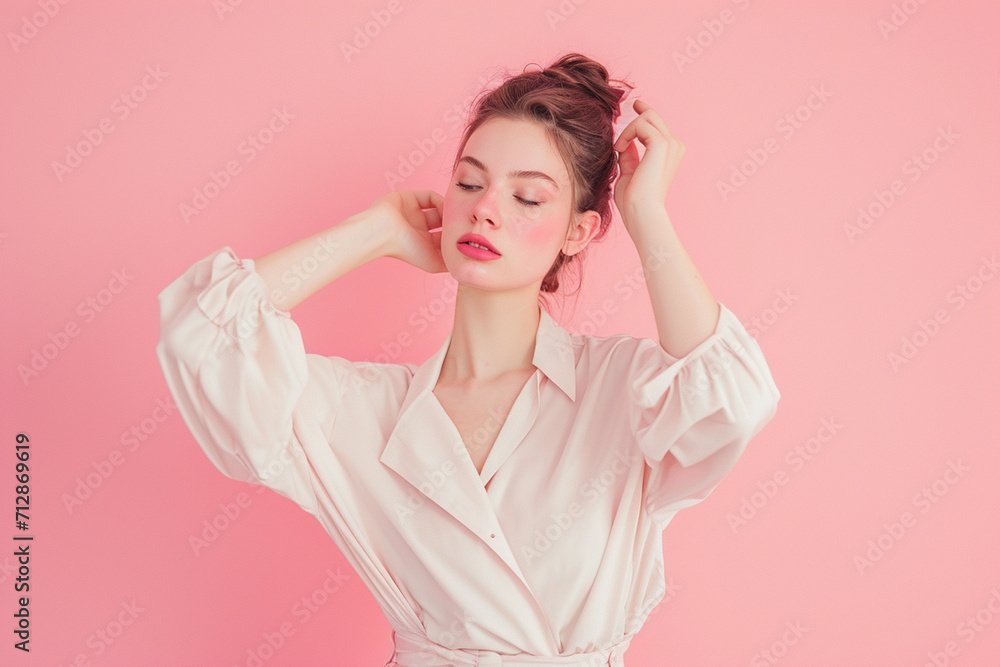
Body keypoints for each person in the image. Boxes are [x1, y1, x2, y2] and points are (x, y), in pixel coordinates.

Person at [156, 52, 781, 666]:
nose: (484, 208)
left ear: (579, 231)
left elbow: (730, 403)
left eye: (528, 198)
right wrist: (373, 231)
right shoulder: (360, 411)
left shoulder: (624, 389)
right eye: (469, 182)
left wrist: (647, 216)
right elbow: (204, 338)